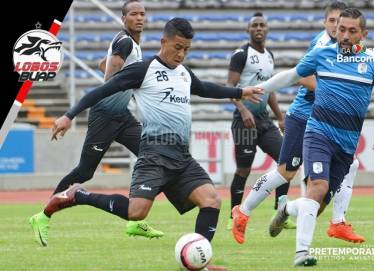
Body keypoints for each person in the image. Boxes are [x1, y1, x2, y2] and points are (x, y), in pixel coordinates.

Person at [46, 18, 262, 271]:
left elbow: (205, 88)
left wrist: (240, 92)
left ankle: (201, 262)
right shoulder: (143, 69)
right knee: (137, 213)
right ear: (164, 42)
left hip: (181, 156)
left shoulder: (183, 73)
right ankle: (79, 194)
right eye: (177, 47)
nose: (181, 54)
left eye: (186, 49)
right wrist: (69, 115)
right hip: (154, 154)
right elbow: (101, 92)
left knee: (212, 200)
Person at [240, 8, 374, 266]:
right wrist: (258, 89)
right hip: (318, 133)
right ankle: (301, 253)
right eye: (341, 29)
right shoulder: (322, 54)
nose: (344, 35)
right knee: (317, 188)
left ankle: (287, 208)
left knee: (318, 203)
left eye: (352, 31)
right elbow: (291, 76)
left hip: (346, 143)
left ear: (364, 34)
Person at [29, 0, 163, 248]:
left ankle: (133, 220)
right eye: (134, 14)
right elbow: (110, 78)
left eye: (143, 13)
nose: (140, 18)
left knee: (152, 155)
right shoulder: (124, 42)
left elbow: (106, 66)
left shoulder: (129, 43)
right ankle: (43, 214)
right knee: (84, 172)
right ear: (124, 18)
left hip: (122, 115)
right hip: (104, 115)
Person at [231, 1, 365, 246]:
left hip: (326, 120)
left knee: (346, 167)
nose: (337, 27)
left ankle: (330, 220)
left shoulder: (347, 48)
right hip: (304, 116)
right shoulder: (322, 44)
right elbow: (301, 76)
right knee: (286, 171)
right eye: (333, 21)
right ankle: (244, 210)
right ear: (326, 23)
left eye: (341, 22)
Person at [226, 12, 296, 231]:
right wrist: (243, 108)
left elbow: (270, 89)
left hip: (264, 122)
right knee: (243, 171)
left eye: (262, 25)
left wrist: (280, 117)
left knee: (288, 161)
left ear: (267, 30)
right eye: (254, 25)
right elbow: (230, 88)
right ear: (248, 30)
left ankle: (281, 211)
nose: (258, 28)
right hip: (244, 121)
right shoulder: (241, 54)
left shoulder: (269, 55)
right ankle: (233, 216)